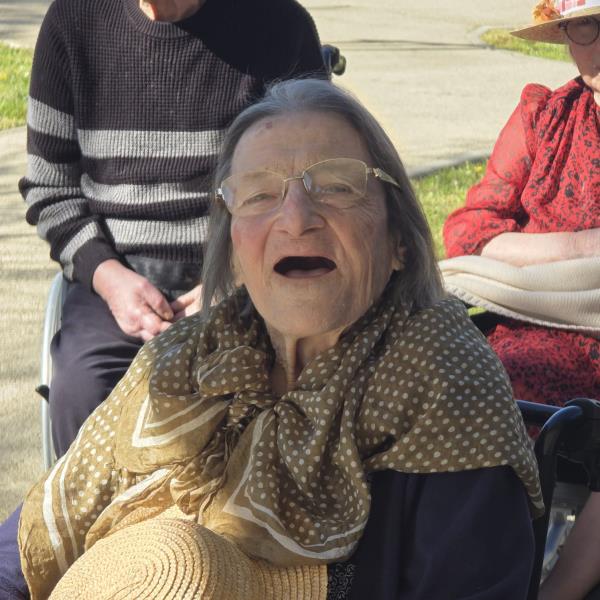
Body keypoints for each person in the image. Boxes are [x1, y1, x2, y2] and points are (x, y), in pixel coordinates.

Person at [2, 78, 541, 599]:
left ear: (398, 237)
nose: (296, 219)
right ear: (235, 250)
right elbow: (25, 549)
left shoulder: (446, 378)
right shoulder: (182, 361)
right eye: (259, 194)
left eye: (336, 186)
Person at [19, 0, 327, 459]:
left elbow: (311, 181)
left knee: (268, 395)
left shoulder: (279, 25)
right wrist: (108, 277)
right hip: (115, 275)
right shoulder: (74, 19)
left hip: (248, 271)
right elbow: (50, 187)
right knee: (84, 386)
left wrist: (238, 277)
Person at [442, 1, 600, 598]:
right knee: (471, 387)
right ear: (564, 33)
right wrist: (581, 247)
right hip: (528, 325)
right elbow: (470, 231)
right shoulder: (544, 116)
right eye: (587, 25)